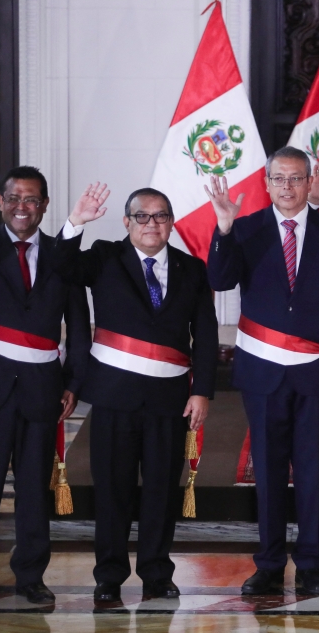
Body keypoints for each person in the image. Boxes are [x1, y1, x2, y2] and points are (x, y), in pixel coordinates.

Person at [205, 147, 319, 596]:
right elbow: (219, 280)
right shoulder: (246, 229)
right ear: (267, 183)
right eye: (280, 179)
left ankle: (311, 563)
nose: (288, 188)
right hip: (263, 373)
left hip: (316, 373)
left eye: (297, 179)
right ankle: (270, 563)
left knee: (312, 470)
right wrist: (223, 229)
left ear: (309, 181)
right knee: (270, 472)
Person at [53, 185, 218, 602]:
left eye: (160, 216)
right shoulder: (106, 257)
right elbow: (59, 267)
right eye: (141, 216)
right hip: (115, 397)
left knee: (162, 490)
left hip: (170, 399)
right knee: (113, 490)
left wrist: (202, 392)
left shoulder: (191, 268)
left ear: (171, 222)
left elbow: (206, 333)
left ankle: (157, 574)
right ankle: (109, 577)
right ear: (126, 223)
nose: (151, 224)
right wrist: (76, 221)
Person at [0, 167, 90, 607]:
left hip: (41, 387)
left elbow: (79, 325)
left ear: (44, 205)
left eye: (31, 199)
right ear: (0, 202)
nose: (21, 206)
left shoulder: (60, 253)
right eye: (13, 198)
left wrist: (74, 381)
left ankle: (31, 576)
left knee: (32, 489)